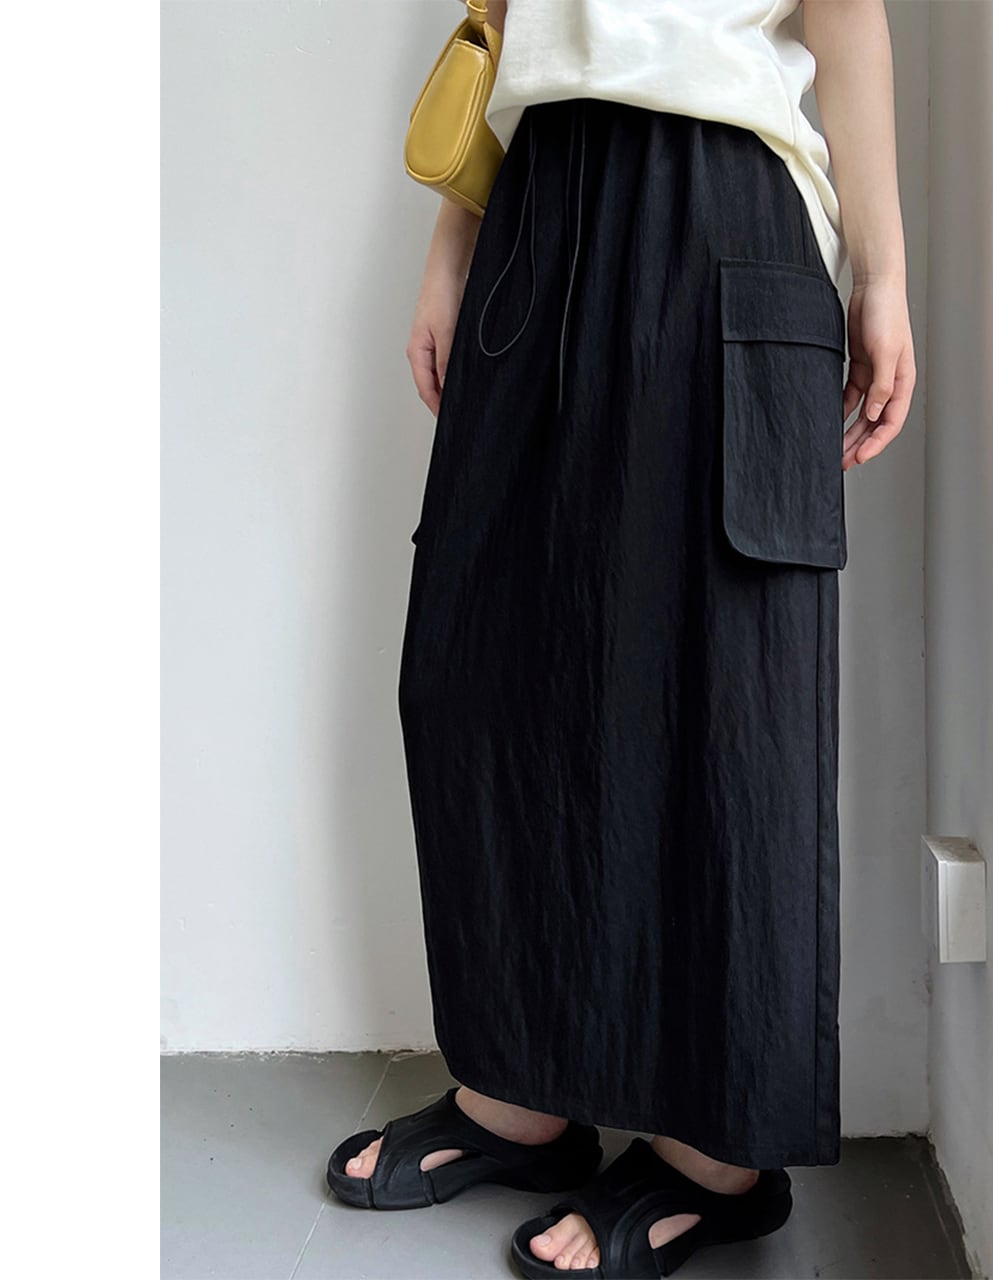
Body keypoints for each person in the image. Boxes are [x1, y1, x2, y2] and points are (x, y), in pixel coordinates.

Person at [326, 1, 916, 1276]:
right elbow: (503, 20)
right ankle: (519, 1094)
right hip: (536, 195)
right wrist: (452, 238)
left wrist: (882, 273)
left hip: (718, 195)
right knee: (482, 661)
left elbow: (845, 12)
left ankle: (714, 1155)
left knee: (718, 685)